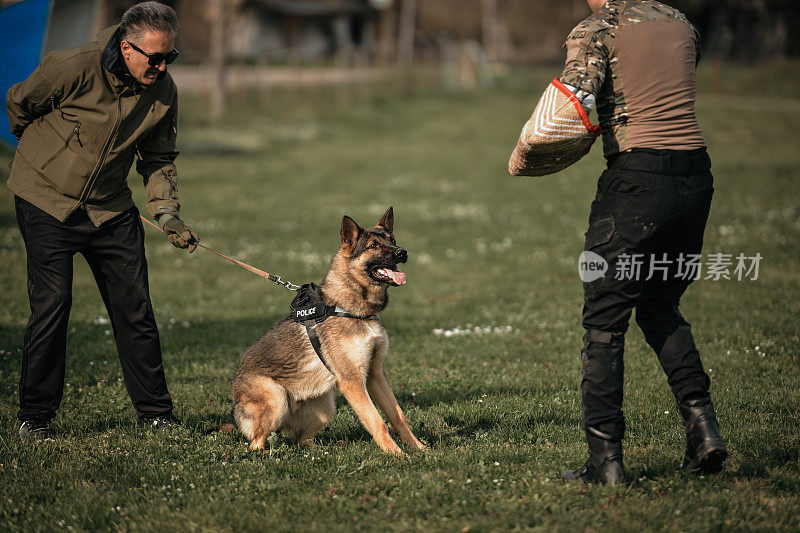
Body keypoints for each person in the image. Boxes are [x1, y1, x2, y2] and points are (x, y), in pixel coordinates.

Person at [509, 0, 727, 483]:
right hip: (695, 176)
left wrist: (530, 147)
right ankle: (703, 431)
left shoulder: (598, 27)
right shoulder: (680, 22)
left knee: (605, 322)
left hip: (636, 180)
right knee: (660, 306)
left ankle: (605, 463)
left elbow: (573, 101)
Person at [7, 2, 198, 439]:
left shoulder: (163, 91)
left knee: (135, 309)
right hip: (45, 200)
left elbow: (159, 156)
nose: (163, 65)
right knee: (52, 306)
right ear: (126, 48)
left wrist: (166, 212)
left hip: (110, 209)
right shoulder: (73, 66)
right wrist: (44, 152)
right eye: (155, 57)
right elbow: (20, 102)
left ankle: (156, 415)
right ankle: (35, 419)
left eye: (171, 56)